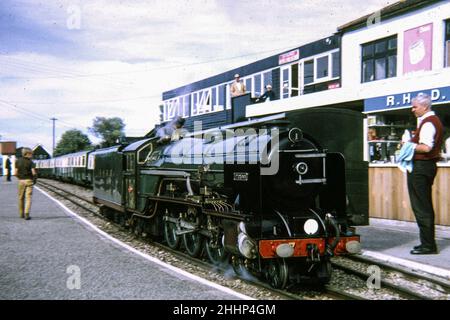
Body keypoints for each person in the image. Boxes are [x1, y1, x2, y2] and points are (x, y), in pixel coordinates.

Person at [407, 93, 443, 255]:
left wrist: (408, 145)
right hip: (427, 166)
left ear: (425, 106)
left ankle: (428, 245)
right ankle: (427, 242)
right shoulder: (432, 121)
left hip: (421, 167)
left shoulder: (428, 123)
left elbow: (426, 147)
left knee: (421, 207)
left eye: (415, 106)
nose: (412, 109)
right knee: (424, 205)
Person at [15, 148, 37, 220]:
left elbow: (15, 173)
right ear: (27, 154)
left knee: (21, 198)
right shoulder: (31, 162)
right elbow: (33, 173)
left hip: (21, 181)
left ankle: (21, 214)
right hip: (29, 181)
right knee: (28, 198)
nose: (32, 155)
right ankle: (26, 214)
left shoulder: (17, 161)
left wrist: (20, 178)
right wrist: (34, 179)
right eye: (31, 154)